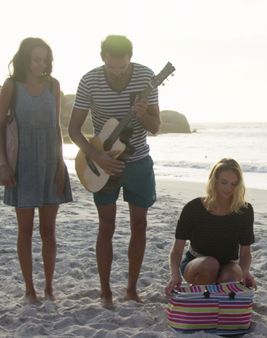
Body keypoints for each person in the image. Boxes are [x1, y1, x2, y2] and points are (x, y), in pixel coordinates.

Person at [68, 35, 160, 306]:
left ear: (130, 58)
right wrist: (96, 155)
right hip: (101, 163)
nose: (118, 72)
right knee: (106, 226)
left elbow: (155, 127)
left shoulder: (146, 77)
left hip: (138, 161)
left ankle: (131, 289)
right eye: (112, 67)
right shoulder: (89, 80)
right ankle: (105, 291)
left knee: (139, 225)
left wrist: (142, 114)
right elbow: (73, 129)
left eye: (122, 66)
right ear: (103, 59)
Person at [0, 37, 73, 304]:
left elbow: (57, 128)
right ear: (25, 59)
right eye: (36, 59)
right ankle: (30, 289)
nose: (41, 65)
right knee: (25, 230)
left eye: (45, 60)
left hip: (51, 161)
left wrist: (62, 165)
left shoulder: (54, 85)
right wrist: (5, 164)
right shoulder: (11, 86)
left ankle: (49, 286)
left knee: (49, 231)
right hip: (22, 163)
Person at [165, 158, 256, 295]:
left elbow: (245, 253)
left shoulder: (244, 210)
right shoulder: (193, 208)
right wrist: (175, 276)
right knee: (210, 264)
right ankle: (200, 293)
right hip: (196, 263)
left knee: (231, 277)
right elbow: (177, 250)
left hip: (228, 264)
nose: (228, 188)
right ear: (214, 181)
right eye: (224, 182)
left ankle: (217, 299)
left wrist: (243, 274)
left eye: (234, 184)